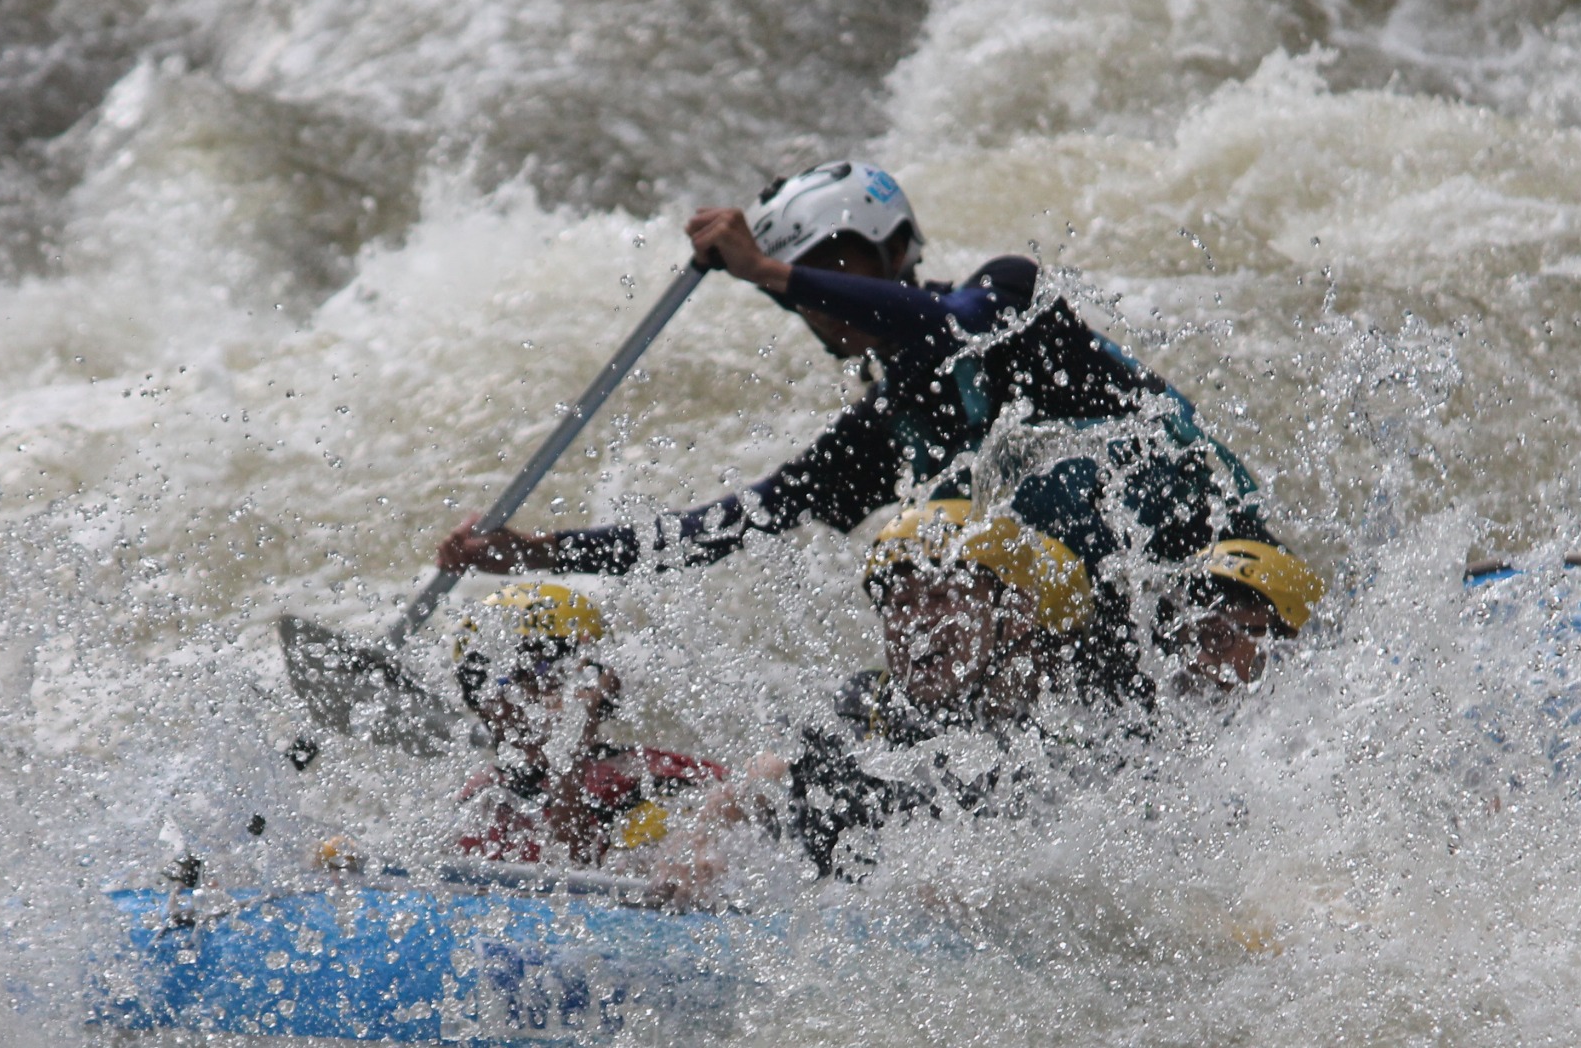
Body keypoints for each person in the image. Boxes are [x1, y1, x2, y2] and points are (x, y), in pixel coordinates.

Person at [435, 160, 1308, 701]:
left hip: (1218, 573)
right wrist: (544, 553)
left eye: (830, 267)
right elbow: (740, 521)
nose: (817, 302)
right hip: (1107, 633)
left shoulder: (1009, 300)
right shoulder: (892, 423)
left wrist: (771, 272)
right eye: (804, 278)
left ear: (889, 253)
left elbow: (950, 321)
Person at [759, 497, 1323, 879]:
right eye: (902, 604)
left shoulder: (1093, 731)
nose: (919, 624)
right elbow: (778, 776)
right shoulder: (870, 706)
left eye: (943, 599)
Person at [324, 584, 727, 870]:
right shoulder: (482, 800)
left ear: (604, 687)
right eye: (498, 680)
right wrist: (361, 862)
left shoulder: (654, 778)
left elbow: (753, 796)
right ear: (479, 700)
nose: (523, 701)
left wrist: (699, 846)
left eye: (548, 674)